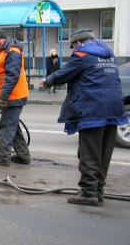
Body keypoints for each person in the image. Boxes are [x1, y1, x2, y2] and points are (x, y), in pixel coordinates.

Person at [42, 29, 128, 206]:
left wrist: (48, 81)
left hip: (93, 109)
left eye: (73, 46)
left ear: (78, 43)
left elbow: (64, 73)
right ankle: (98, 191)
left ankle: (88, 193)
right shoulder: (109, 54)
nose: (73, 49)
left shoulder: (82, 54)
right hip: (114, 108)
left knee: (89, 152)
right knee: (104, 152)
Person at [0, 28, 30, 166]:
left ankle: (2, 158)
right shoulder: (0, 52)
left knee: (5, 126)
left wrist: (2, 98)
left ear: (5, 39)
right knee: (13, 126)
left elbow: (12, 77)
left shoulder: (12, 52)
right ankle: (23, 155)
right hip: (7, 96)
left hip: (13, 96)